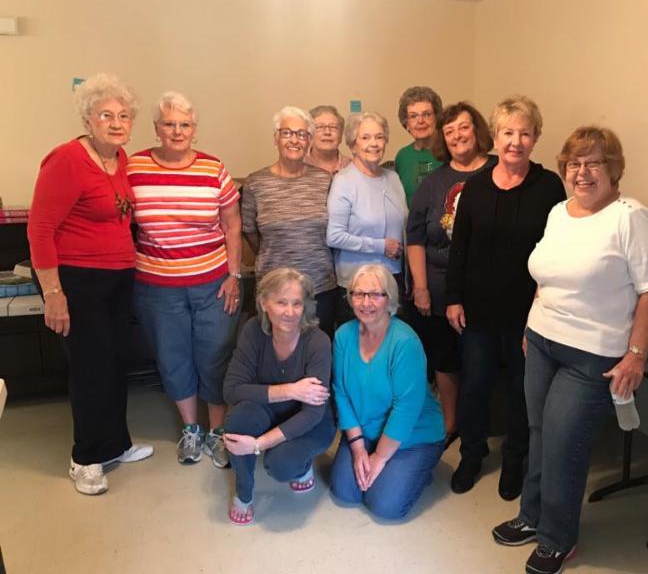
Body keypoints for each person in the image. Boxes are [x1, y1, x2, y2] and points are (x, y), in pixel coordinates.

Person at [491, 127, 648, 574]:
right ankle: (531, 516)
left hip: (593, 353)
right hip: (543, 339)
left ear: (613, 169)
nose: (582, 172)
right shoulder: (559, 212)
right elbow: (547, 275)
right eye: (574, 163)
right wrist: (532, 323)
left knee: (564, 442)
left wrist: (636, 355)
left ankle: (558, 538)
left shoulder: (632, 218)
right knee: (539, 432)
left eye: (594, 163)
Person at [28, 72, 153, 495]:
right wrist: (53, 294)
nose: (116, 123)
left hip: (117, 279)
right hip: (77, 281)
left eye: (123, 116)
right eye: (106, 115)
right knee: (90, 369)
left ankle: (116, 444)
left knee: (115, 363)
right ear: (88, 119)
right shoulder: (67, 159)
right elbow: (39, 230)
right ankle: (85, 458)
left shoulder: (121, 160)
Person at [445, 95, 566, 499]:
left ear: (536, 138)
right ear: (494, 137)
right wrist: (453, 298)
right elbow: (459, 247)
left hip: (529, 313)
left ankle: (515, 460)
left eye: (524, 133)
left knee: (521, 391)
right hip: (477, 311)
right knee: (475, 386)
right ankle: (471, 455)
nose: (515, 141)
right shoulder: (475, 187)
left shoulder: (549, 187)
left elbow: (557, 250)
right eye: (508, 133)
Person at [127, 91, 242, 468]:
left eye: (185, 125)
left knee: (214, 357)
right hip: (157, 288)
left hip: (214, 284)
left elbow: (232, 223)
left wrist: (234, 274)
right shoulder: (133, 167)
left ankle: (218, 431)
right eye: (169, 124)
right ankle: (191, 429)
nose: (177, 131)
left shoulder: (213, 168)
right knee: (173, 358)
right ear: (156, 128)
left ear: (194, 129)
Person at [406, 101, 496, 446]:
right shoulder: (434, 182)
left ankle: (478, 428)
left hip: (485, 289)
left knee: (481, 363)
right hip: (440, 287)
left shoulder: (499, 171)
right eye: (449, 131)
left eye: (463, 127)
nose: (457, 135)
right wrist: (421, 287)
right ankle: (450, 422)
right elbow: (415, 236)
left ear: (477, 130)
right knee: (445, 359)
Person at [330, 264, 445, 519]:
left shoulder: (405, 342)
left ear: (389, 299)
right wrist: (358, 448)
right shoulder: (343, 336)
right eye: (359, 294)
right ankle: (389, 467)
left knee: (384, 506)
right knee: (345, 491)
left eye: (375, 294)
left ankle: (420, 468)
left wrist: (379, 458)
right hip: (366, 431)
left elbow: (406, 409)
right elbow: (341, 392)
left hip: (413, 435)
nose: (366, 303)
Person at [223, 268, 336, 525]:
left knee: (282, 465)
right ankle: (244, 493)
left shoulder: (318, 341)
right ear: (264, 303)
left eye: (297, 303)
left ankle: (303, 465)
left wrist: (257, 445)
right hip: (269, 409)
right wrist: (291, 390)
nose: (290, 312)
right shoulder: (253, 330)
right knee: (238, 420)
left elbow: (312, 413)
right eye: (281, 302)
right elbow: (231, 390)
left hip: (312, 421)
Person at [242, 106, 337, 338]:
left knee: (317, 351)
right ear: (276, 138)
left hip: (319, 287)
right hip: (273, 290)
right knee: (275, 352)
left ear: (309, 141)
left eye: (302, 134)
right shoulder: (256, 183)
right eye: (287, 133)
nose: (294, 140)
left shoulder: (325, 180)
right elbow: (250, 232)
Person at [327, 112, 407, 318]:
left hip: (391, 281)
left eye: (379, 137)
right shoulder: (344, 181)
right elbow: (334, 236)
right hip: (358, 287)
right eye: (365, 137)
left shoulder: (393, 178)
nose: (374, 143)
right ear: (353, 145)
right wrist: (381, 246)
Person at [394, 86, 444, 206]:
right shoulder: (402, 156)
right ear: (406, 123)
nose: (420, 121)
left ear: (436, 118)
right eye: (413, 116)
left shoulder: (450, 151)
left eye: (427, 114)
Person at [305, 105, 352, 175]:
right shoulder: (298, 164)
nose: (327, 132)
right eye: (320, 127)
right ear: (309, 134)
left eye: (333, 127)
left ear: (341, 135)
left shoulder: (352, 167)